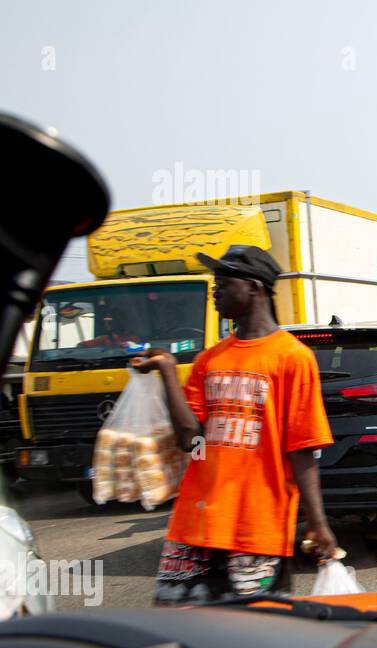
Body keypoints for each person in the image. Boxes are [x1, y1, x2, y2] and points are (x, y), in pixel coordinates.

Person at [133, 244, 339, 605]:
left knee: (253, 636)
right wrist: (166, 370)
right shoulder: (209, 359)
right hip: (194, 525)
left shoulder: (293, 358)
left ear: (254, 288)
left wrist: (317, 523)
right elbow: (188, 438)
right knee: (175, 627)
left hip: (255, 529)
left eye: (223, 283)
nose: (215, 292)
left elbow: (303, 450)